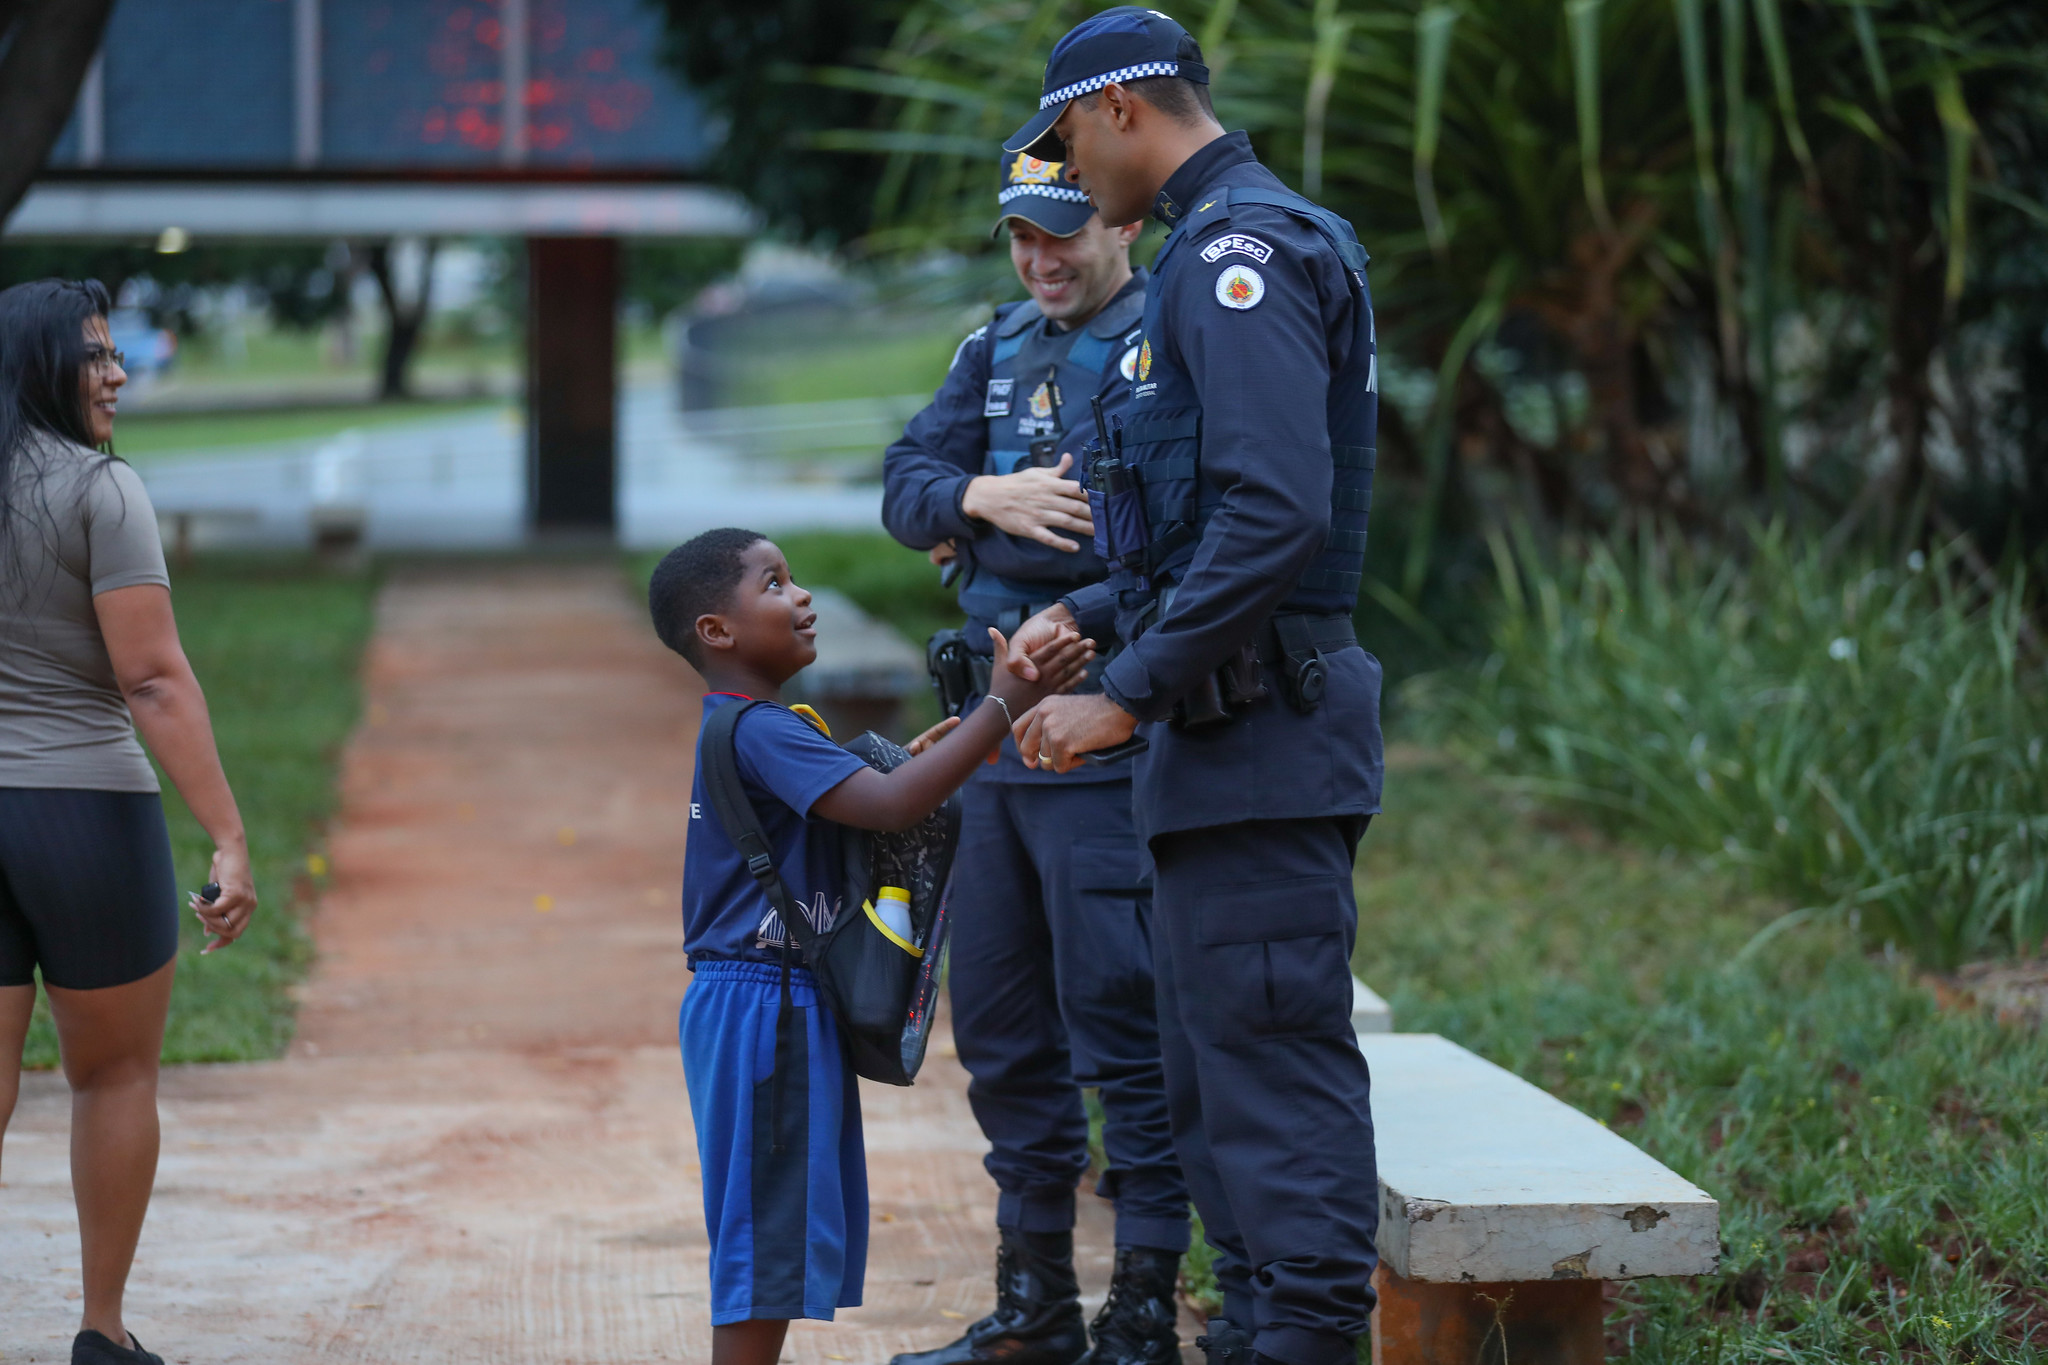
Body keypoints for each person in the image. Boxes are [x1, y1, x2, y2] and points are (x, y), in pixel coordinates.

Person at [996, 12, 1386, 1365]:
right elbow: (1199, 525)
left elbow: (1277, 516)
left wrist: (1130, 688)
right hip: (1218, 751)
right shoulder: (1196, 260)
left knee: (1270, 1090)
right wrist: (1089, 620)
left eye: (1064, 142)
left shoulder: (1236, 257)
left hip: (1256, 737)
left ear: (1116, 110)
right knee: (1213, 1098)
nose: (1065, 176)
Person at [881, 154, 1189, 1365]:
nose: (1039, 260)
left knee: (1121, 1015)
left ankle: (1147, 1306)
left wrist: (1093, 608)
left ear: (1116, 222)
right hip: (988, 745)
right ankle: (1035, 1306)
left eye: (1060, 235)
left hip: (1109, 734)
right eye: (1019, 237)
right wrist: (982, 496)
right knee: (1002, 1022)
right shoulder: (993, 345)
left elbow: (1203, 539)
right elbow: (904, 490)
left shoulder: (1175, 335)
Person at [647, 529, 1092, 1365]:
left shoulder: (758, 726)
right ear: (717, 631)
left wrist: (937, 755)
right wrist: (1000, 705)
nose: (801, 594)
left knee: (770, 1227)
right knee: (764, 1241)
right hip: (763, 1006)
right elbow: (890, 807)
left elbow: (873, 804)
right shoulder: (762, 731)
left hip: (760, 1002)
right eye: (774, 583)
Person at [0, 279, 257, 1365]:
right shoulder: (100, 490)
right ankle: (101, 1332)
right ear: (35, 367)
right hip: (82, 814)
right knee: (113, 1075)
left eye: (117, 354)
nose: (117, 375)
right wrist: (231, 836)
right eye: (93, 355)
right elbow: (151, 678)